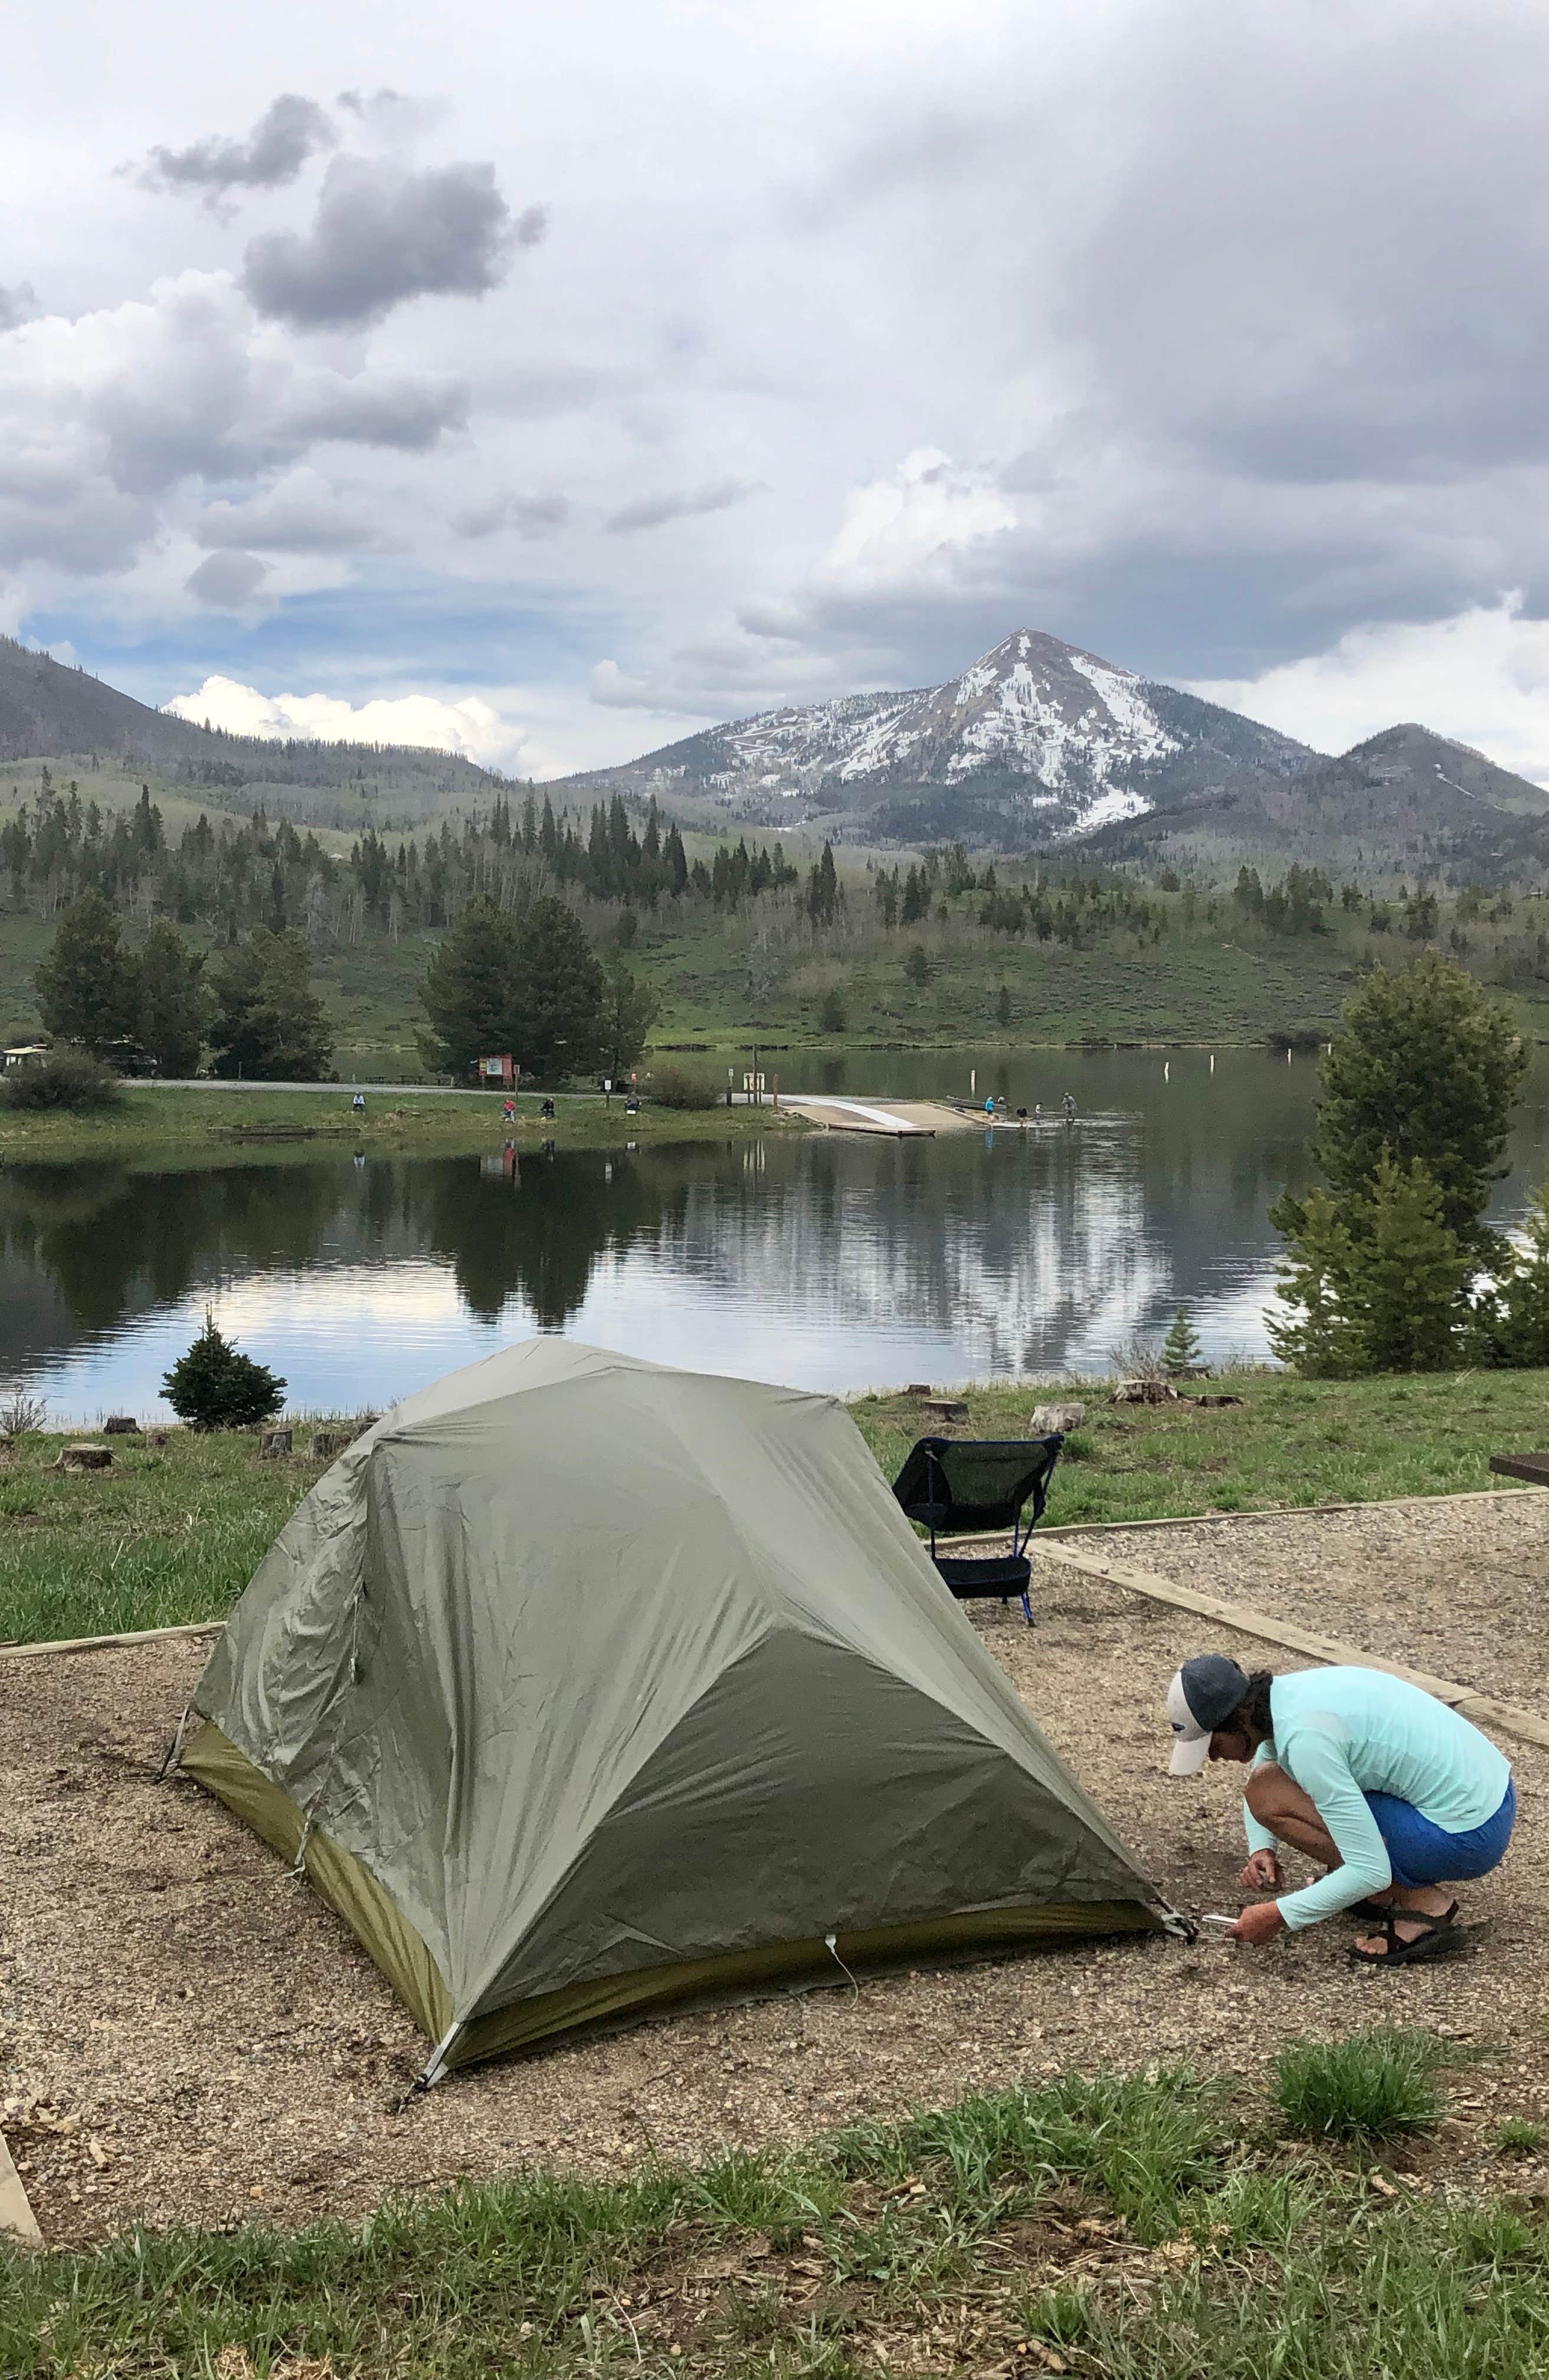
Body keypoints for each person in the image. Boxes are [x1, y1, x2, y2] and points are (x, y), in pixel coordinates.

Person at [1166, 1653, 1515, 1964]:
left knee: (1270, 1796)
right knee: (1272, 1787)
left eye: (1212, 1745)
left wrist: (1278, 1914)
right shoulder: (1287, 1696)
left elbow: (1370, 1869)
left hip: (1468, 1836)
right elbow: (1267, 1757)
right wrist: (1262, 1846)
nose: (1212, 1758)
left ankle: (1424, 1906)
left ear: (1238, 1720)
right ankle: (1384, 1887)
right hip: (1492, 1798)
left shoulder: (1306, 1742)